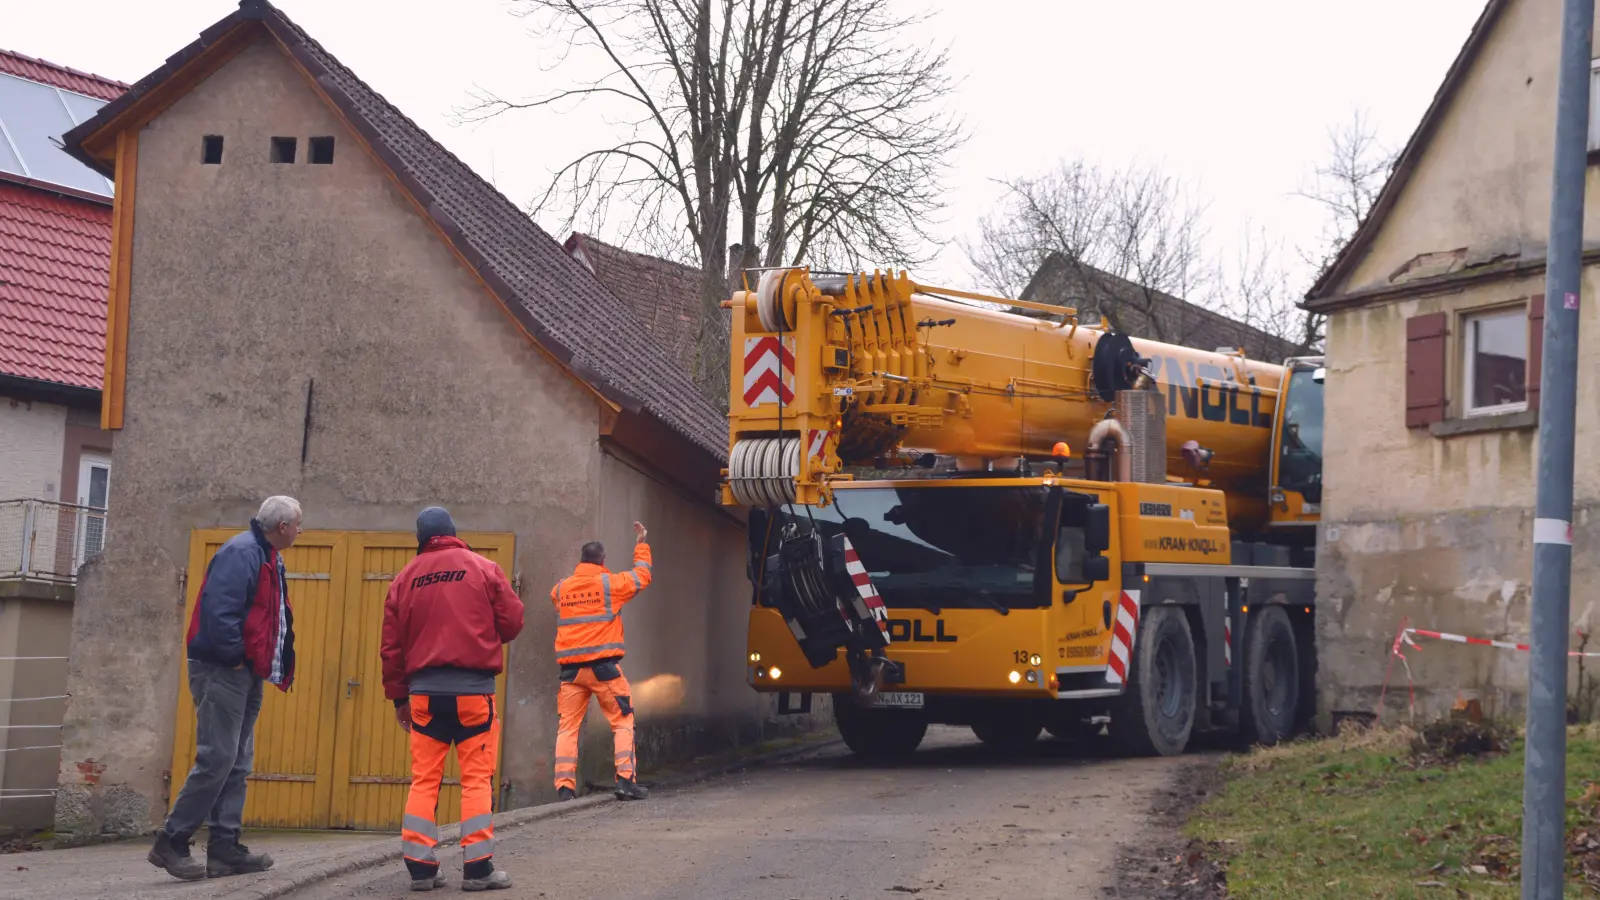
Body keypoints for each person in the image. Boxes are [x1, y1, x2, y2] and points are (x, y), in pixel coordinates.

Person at [148, 495, 302, 881]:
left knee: (237, 761)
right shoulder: (243, 553)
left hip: (245, 671)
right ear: (282, 527)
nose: (301, 531)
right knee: (218, 757)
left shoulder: (265, 554)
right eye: (298, 524)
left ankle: (225, 848)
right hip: (223, 669)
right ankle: (171, 840)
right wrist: (234, 657)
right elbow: (221, 610)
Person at [382, 507, 524, 893]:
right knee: (476, 778)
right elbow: (512, 621)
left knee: (424, 780)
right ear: (452, 532)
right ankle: (478, 870)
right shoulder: (482, 567)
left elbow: (391, 649)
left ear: (421, 538)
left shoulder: (402, 580)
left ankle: (421, 870)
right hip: (473, 693)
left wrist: (399, 698)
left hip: (424, 696)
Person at [551, 521, 652, 802]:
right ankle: (625, 781)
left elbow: (556, 600)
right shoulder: (610, 584)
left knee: (567, 728)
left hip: (570, 672)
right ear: (602, 561)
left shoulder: (561, 589)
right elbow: (642, 577)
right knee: (622, 720)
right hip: (604, 669)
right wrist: (641, 544)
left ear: (581, 561)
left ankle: (564, 788)